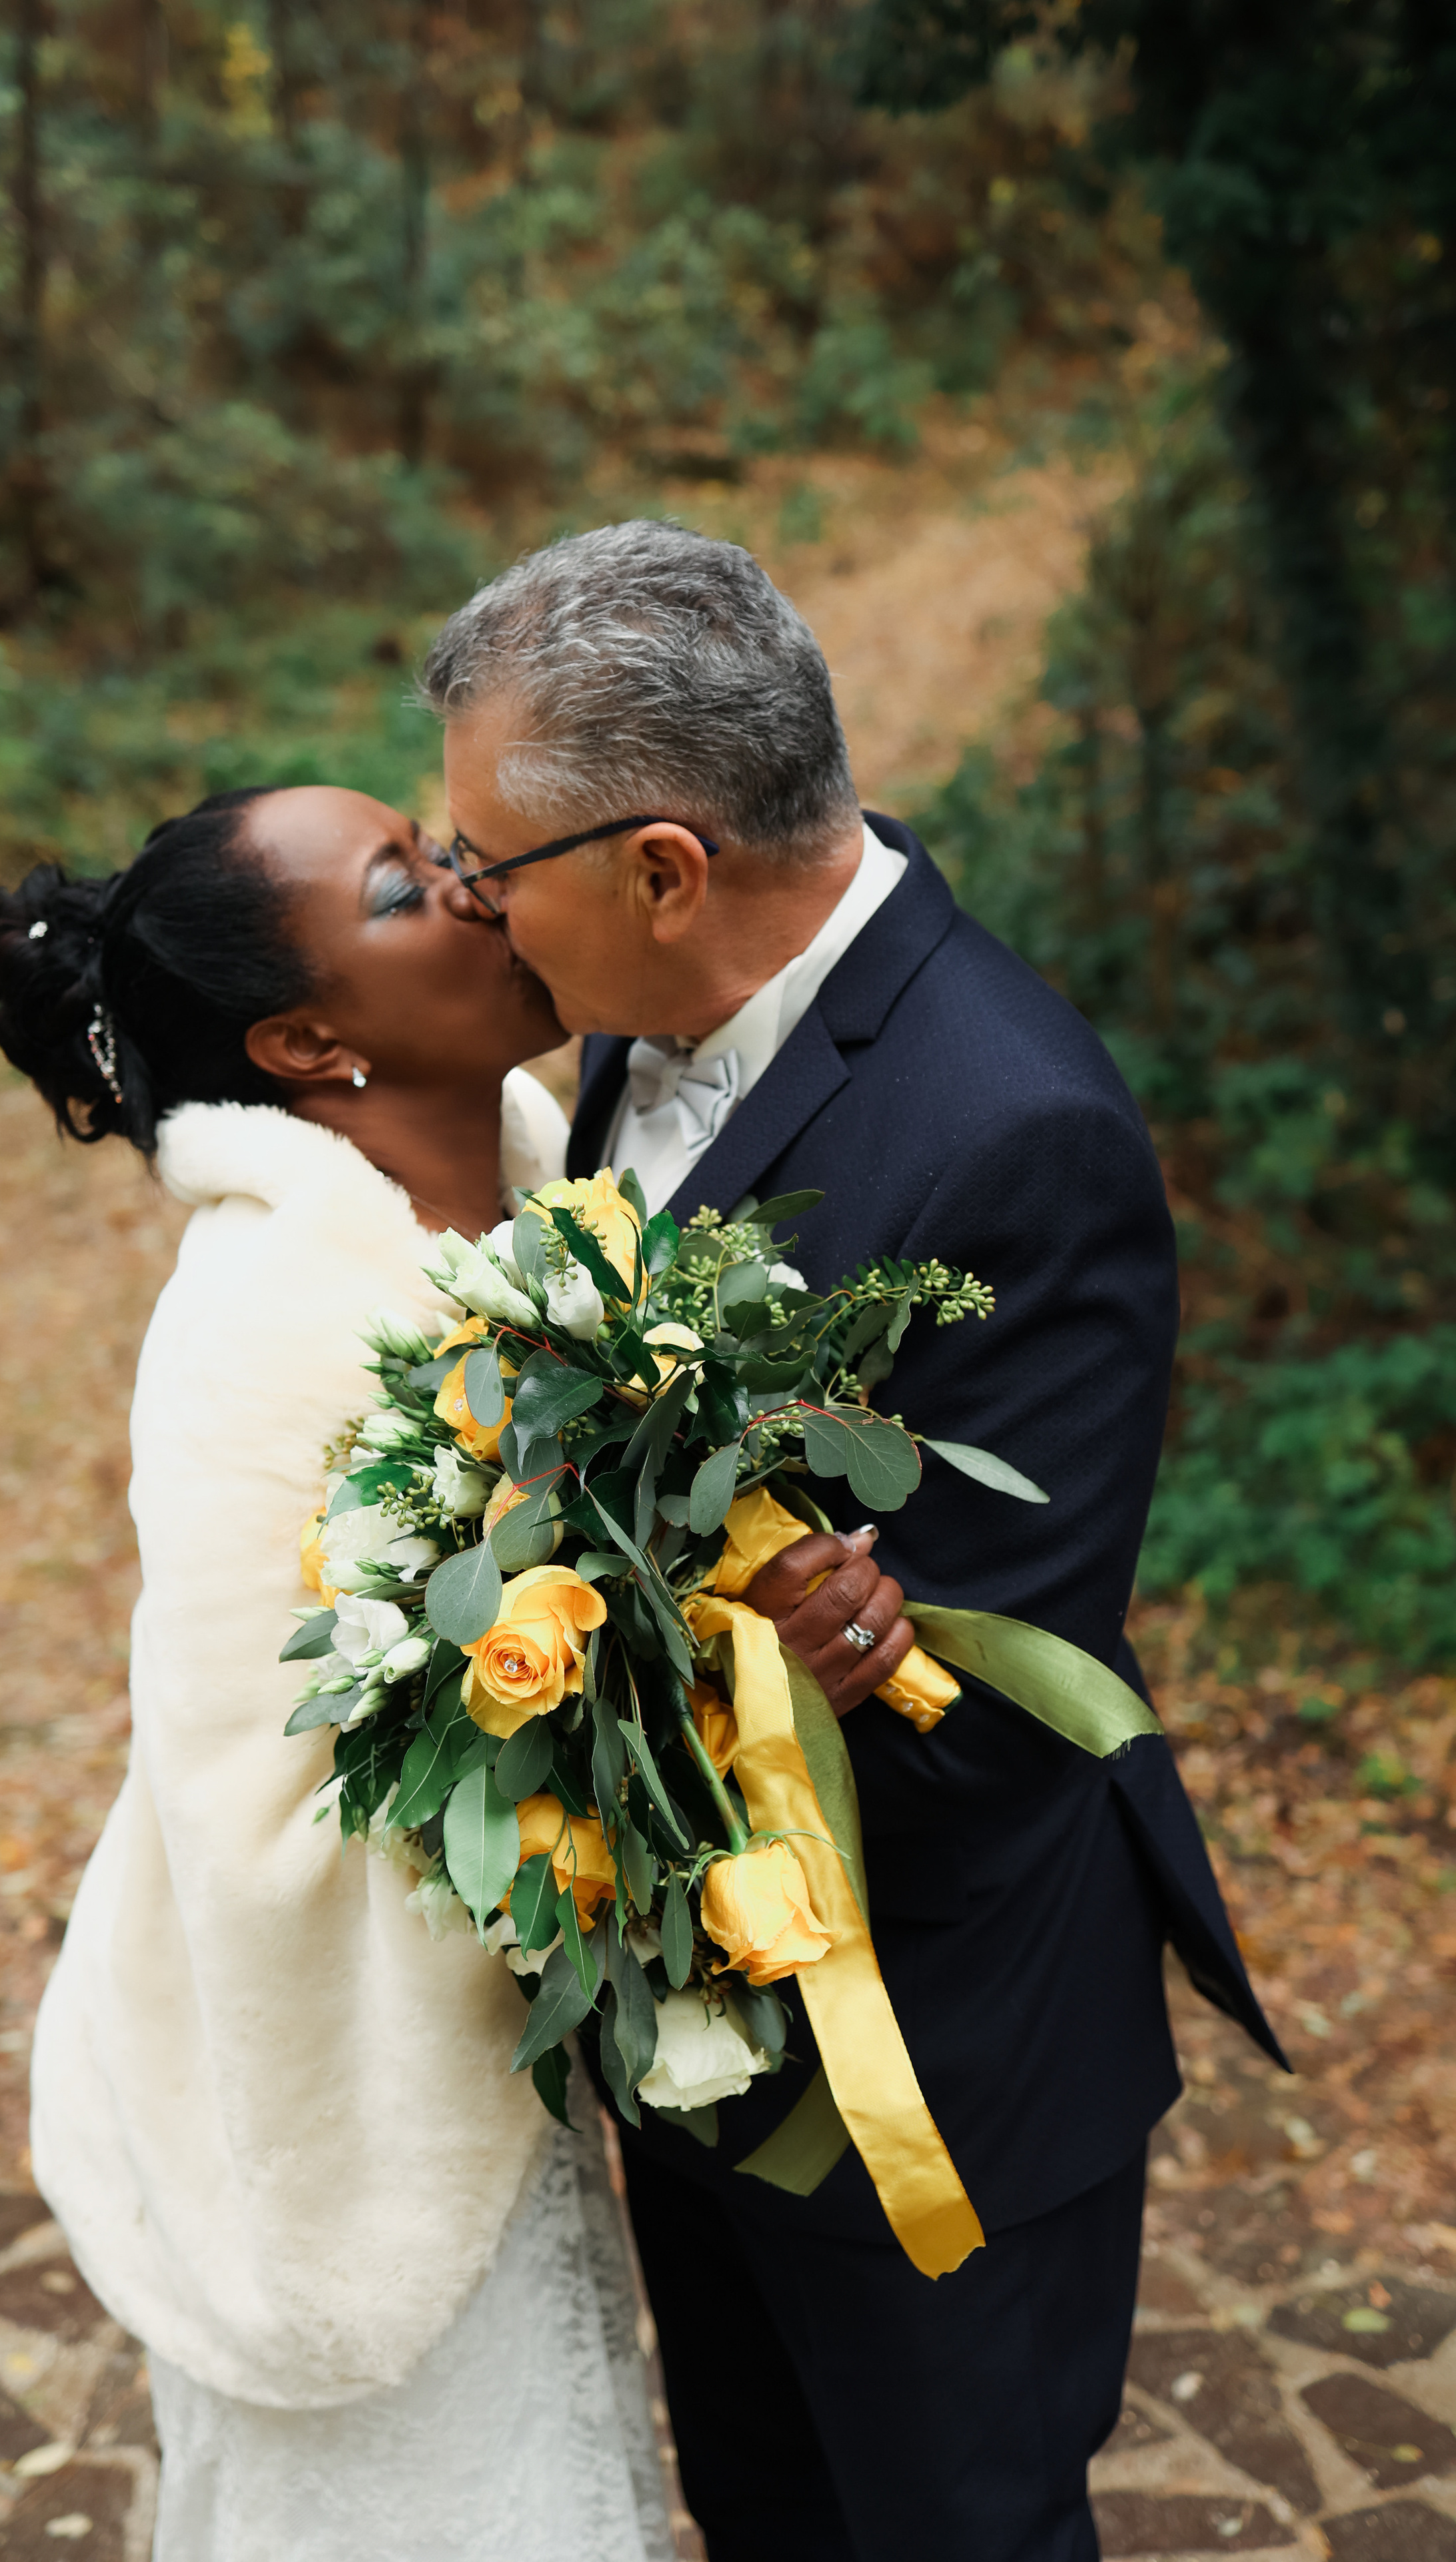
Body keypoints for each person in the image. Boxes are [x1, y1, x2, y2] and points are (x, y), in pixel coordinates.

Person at [422, 520, 1289, 2562]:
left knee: (954, 2532)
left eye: (492, 868)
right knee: (770, 2513)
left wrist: (809, 1640)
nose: (473, 910)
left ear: (662, 870)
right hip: (694, 2021)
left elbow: (1000, 1701)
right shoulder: (641, 1011)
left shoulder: (1019, 1128)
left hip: (932, 2045)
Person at [0, 784, 677, 2562]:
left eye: (431, 846)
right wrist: (560, 1759)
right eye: (399, 890)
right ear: (308, 1041)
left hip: (506, 2041)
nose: (469, 881)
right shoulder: (259, 1313)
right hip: (349, 2081)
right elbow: (245, 1783)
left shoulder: (562, 1191)